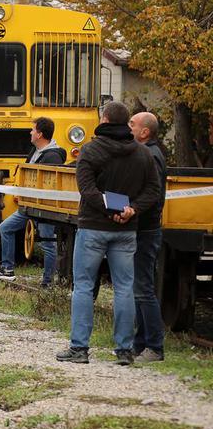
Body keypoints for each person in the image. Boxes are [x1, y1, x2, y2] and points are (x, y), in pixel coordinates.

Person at [57, 101, 161, 365]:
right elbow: (153, 190)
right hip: (126, 230)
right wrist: (131, 210)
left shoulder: (91, 150)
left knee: (83, 286)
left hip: (93, 227)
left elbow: (86, 189)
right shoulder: (142, 153)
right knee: (124, 288)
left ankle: (79, 348)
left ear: (104, 120)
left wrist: (108, 210)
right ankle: (125, 350)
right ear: (125, 124)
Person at [0, 117, 65, 284]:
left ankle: (48, 282)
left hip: (45, 208)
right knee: (6, 228)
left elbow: (49, 184)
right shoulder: (34, 152)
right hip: (29, 205)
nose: (30, 133)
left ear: (39, 134)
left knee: (48, 243)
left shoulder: (52, 157)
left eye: (33, 130)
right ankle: (7, 269)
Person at [128, 110, 168, 363]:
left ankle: (155, 347)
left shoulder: (151, 156)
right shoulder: (147, 153)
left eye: (132, 124)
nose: (127, 127)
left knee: (143, 289)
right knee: (139, 288)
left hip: (146, 229)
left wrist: (131, 209)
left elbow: (150, 194)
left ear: (144, 132)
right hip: (143, 227)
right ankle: (139, 343)